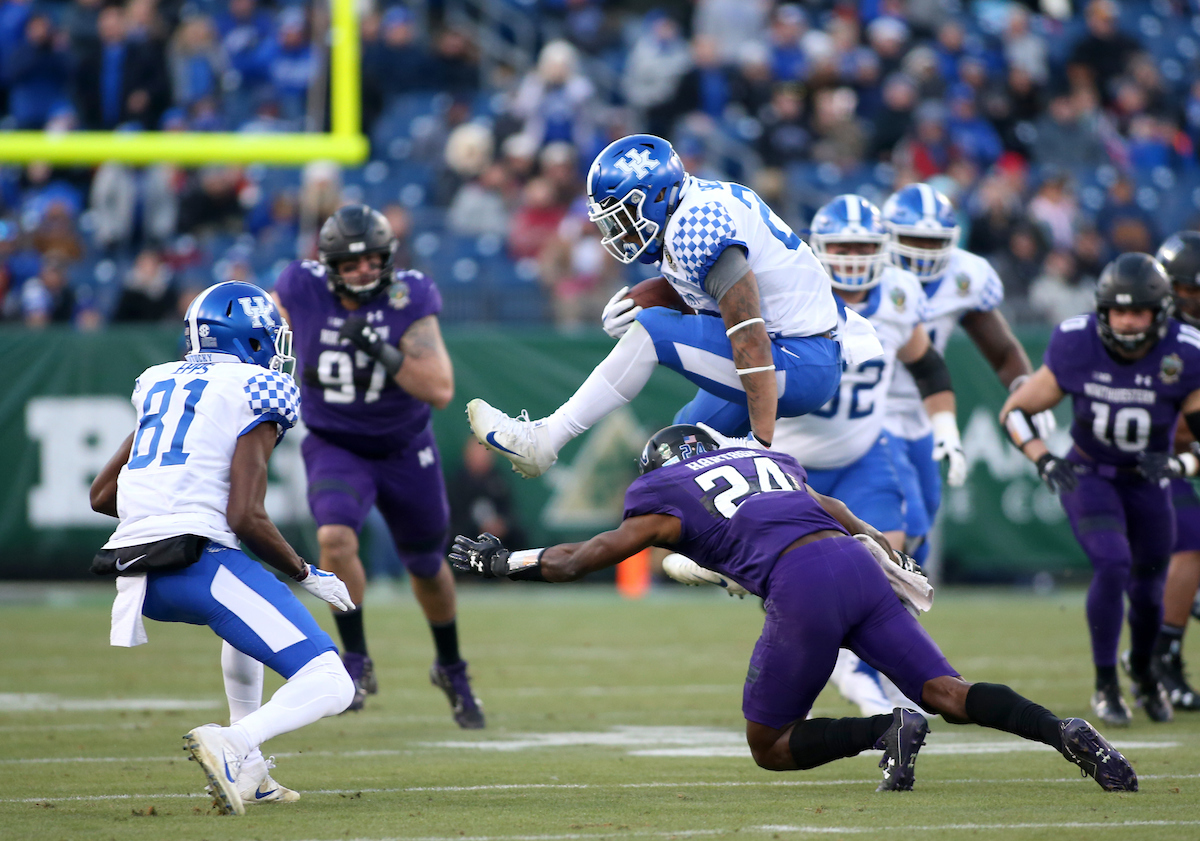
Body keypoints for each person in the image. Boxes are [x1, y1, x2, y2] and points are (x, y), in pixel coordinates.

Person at [450, 424, 1136, 793]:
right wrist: (887, 555)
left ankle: (883, 731)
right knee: (947, 691)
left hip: (801, 582)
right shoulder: (768, 462)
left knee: (769, 745)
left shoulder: (663, 491)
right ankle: (1067, 733)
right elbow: (832, 509)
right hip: (853, 561)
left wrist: (502, 562)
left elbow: (585, 556)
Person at [88, 281, 356, 815]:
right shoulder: (257, 386)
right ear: (247, 339)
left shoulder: (158, 380)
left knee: (244, 631)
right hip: (197, 561)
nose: (276, 350)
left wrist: (166, 502)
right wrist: (307, 573)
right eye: (268, 338)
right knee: (333, 681)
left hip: (137, 571)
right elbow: (245, 516)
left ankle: (252, 774)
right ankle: (234, 744)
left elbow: (102, 496)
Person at [469, 133, 879, 479]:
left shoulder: (696, 228)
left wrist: (761, 442)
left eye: (623, 215)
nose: (618, 231)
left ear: (655, 196)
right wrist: (648, 294)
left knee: (654, 330)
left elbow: (748, 332)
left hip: (797, 359)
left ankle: (546, 438)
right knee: (679, 455)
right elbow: (713, 292)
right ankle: (719, 558)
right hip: (790, 349)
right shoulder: (689, 210)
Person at [271, 204, 482, 725]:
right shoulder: (300, 287)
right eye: (352, 262)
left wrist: (383, 351)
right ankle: (356, 658)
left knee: (427, 565)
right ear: (329, 265)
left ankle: (451, 666)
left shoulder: (410, 295)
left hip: (405, 447)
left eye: (374, 260)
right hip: (335, 442)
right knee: (334, 540)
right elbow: (262, 332)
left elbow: (439, 389)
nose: (365, 270)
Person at [774, 194, 964, 715]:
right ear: (817, 248)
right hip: (794, 463)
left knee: (890, 565)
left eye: (864, 246)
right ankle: (829, 672)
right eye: (842, 246)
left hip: (863, 453)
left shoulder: (900, 293)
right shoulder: (787, 289)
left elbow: (927, 366)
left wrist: (944, 425)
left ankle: (897, 675)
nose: (854, 257)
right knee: (801, 591)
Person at [1001, 253, 1200, 726]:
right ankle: (1106, 685)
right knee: (1112, 564)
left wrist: (1179, 461)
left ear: (1160, 313)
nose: (1128, 322)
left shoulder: (1185, 352)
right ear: (1103, 311)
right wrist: (1042, 457)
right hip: (1089, 474)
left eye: (1139, 312)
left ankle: (1147, 676)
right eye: (1119, 311)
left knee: (1150, 592)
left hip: (1149, 481)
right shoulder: (1077, 342)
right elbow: (1016, 409)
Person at [882, 182, 1053, 563]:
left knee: (920, 533)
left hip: (925, 411)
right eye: (913, 239)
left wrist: (1027, 390)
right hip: (867, 409)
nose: (922, 251)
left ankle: (893, 615)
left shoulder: (965, 275)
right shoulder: (865, 271)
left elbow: (1002, 349)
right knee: (898, 523)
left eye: (933, 241)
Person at [1148, 231, 1200, 711]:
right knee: (1190, 544)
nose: (1191, 299)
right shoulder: (1150, 329)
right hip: (1149, 454)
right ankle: (1161, 657)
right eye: (1185, 289)